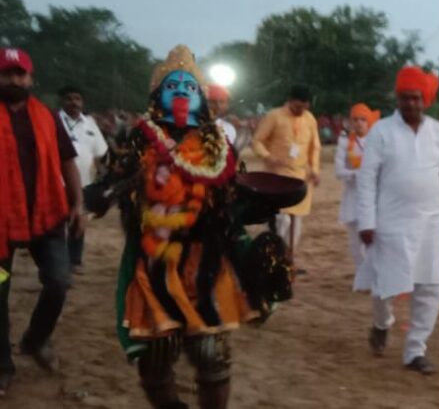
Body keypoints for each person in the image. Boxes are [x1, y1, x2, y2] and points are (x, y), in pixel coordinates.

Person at [88, 45, 292, 408]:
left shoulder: (219, 143)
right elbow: (116, 180)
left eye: (188, 86)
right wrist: (100, 194)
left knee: (211, 351)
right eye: (172, 85)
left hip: (206, 257)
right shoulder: (139, 138)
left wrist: (256, 207)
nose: (181, 91)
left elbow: (234, 193)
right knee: (156, 354)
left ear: (199, 97)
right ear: (157, 96)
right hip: (154, 257)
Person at [357, 66, 439, 375]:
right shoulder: (381, 131)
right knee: (385, 284)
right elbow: (366, 178)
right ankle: (382, 323)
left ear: (425, 100)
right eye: (405, 98)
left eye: (416, 98)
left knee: (430, 286)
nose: (410, 103)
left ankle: (415, 350)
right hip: (391, 222)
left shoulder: (437, 131)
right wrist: (366, 221)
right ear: (397, 99)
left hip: (432, 223)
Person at [0, 48, 83, 398]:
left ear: (30, 78)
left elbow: (67, 161)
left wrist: (78, 203)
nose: (13, 79)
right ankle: (2, 366)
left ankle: (35, 338)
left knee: (59, 281)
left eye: (20, 74)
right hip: (1, 227)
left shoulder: (47, 117)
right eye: (7, 73)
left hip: (46, 217)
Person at [252, 85, 322, 272]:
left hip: (300, 177)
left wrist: (315, 169)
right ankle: (275, 260)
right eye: (298, 107)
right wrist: (268, 157)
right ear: (290, 100)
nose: (301, 111)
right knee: (281, 221)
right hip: (277, 177)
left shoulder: (310, 119)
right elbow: (257, 141)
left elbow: (315, 147)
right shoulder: (274, 116)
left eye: (305, 107)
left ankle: (289, 261)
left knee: (296, 223)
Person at [57, 85, 108, 273]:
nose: (74, 102)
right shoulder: (53, 121)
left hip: (83, 183)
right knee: (57, 224)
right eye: (69, 98)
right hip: (56, 183)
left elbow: (100, 152)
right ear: (62, 101)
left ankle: (75, 260)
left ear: (82, 102)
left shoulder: (90, 124)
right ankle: (58, 262)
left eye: (77, 99)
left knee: (79, 222)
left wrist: (101, 175)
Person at [334, 102, 380, 291]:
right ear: (351, 122)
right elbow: (338, 171)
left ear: (369, 122)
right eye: (356, 120)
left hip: (374, 197)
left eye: (363, 119)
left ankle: (375, 276)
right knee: (355, 243)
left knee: (373, 240)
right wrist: (357, 174)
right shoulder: (344, 143)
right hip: (353, 197)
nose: (359, 123)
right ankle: (363, 277)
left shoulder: (377, 142)